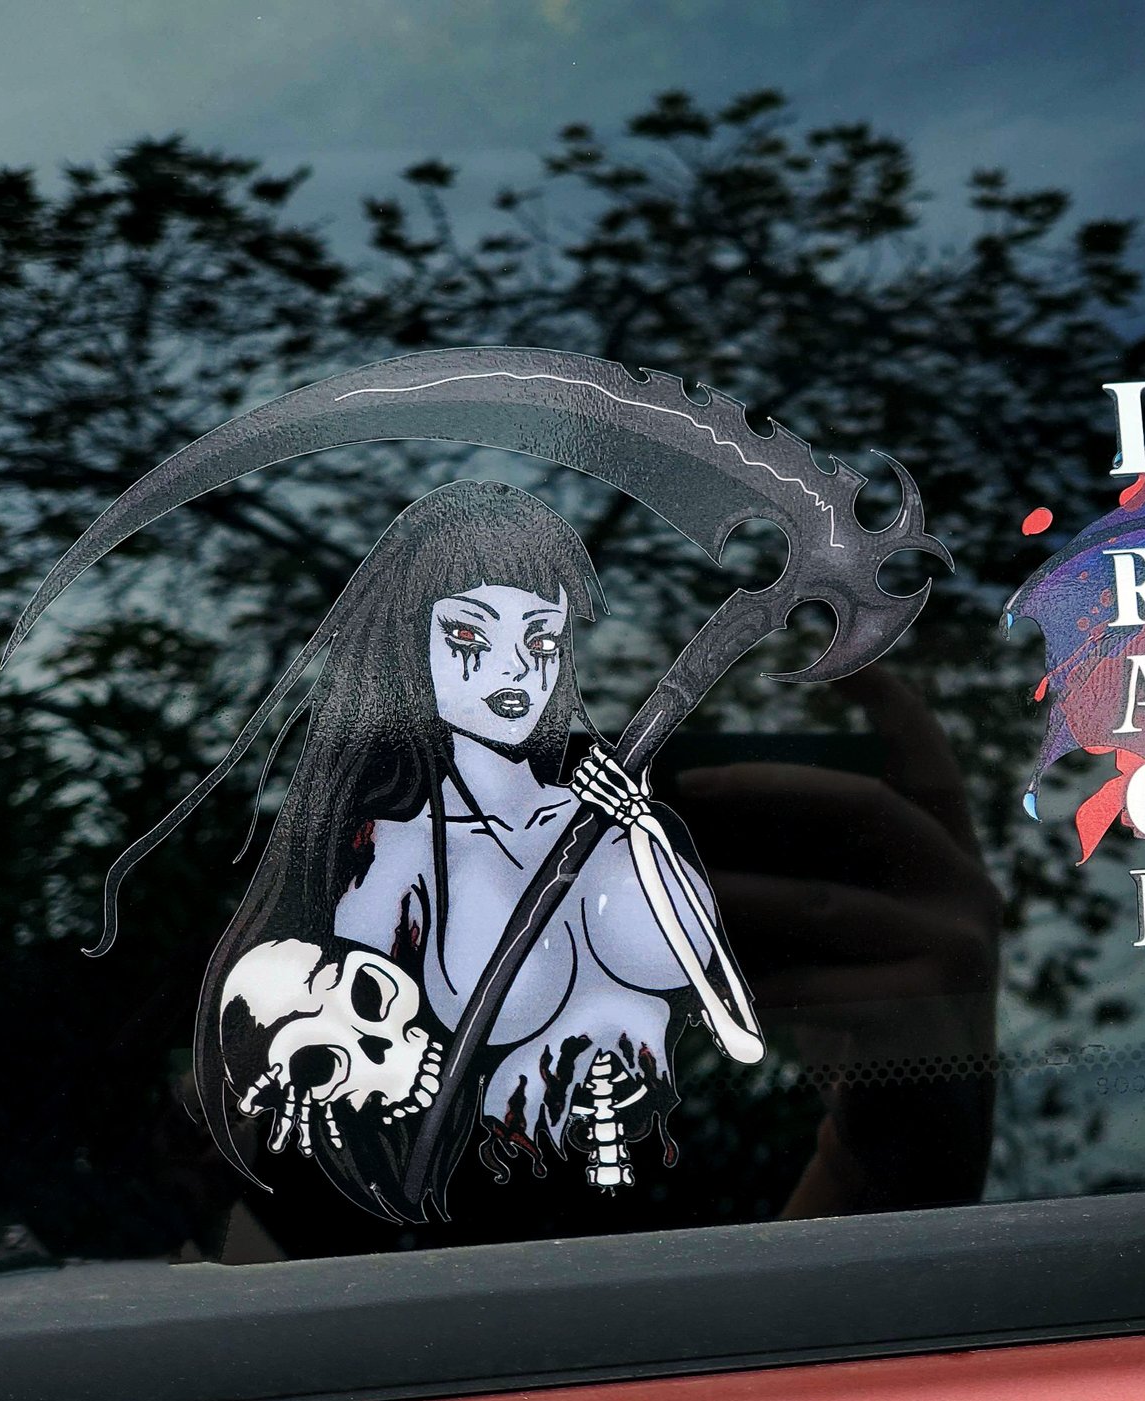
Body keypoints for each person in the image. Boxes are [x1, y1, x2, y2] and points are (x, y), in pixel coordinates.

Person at [196, 479, 760, 1220]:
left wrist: (641, 825)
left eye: (542, 639)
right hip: (501, 1235)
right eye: (469, 637)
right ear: (408, 649)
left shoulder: (621, 818)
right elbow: (351, 1049)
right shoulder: (395, 856)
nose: (516, 669)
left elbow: (740, 1023)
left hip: (733, 1204)